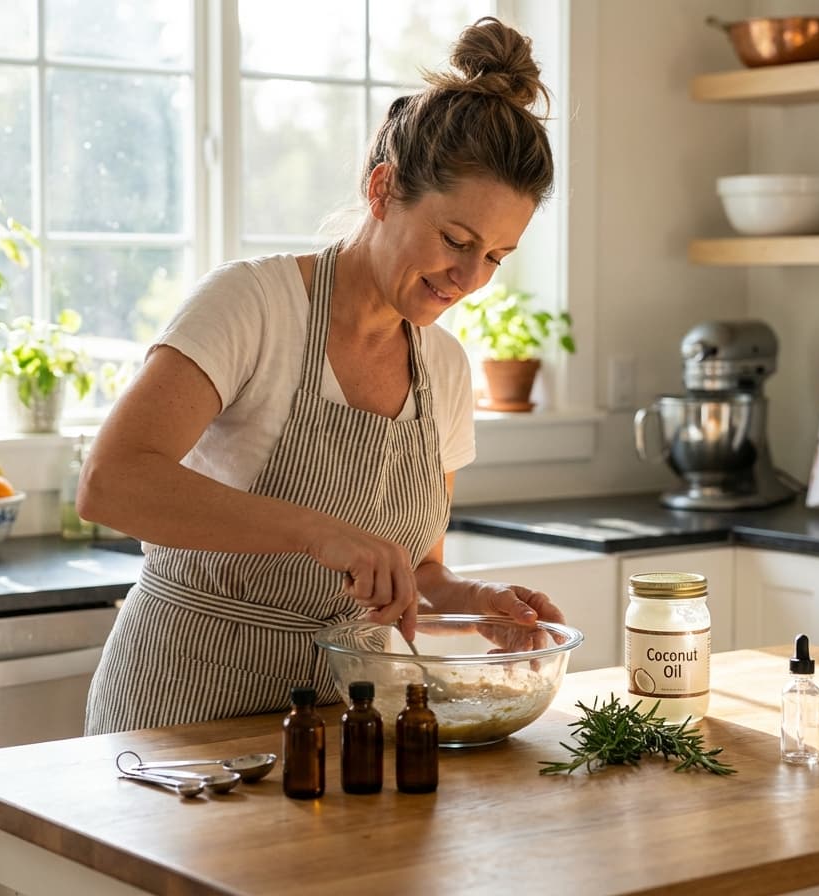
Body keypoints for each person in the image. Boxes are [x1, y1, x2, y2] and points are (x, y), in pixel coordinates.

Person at [80, 16, 565, 735]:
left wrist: (472, 597)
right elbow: (111, 482)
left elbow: (415, 572)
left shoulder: (444, 368)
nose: (469, 279)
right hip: (182, 716)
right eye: (456, 240)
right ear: (381, 190)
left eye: (496, 256)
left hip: (345, 725)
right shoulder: (252, 304)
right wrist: (316, 531)